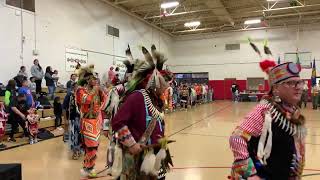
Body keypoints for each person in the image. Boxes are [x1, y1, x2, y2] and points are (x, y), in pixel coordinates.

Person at [229, 43, 306, 179]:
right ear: (275, 88)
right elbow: (237, 138)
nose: (299, 87)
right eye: (291, 83)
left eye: (299, 82)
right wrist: (250, 174)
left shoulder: (293, 111)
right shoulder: (265, 110)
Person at [111, 45, 174, 180]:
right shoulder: (138, 97)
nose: (165, 87)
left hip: (156, 154)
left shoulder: (157, 100)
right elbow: (117, 122)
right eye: (162, 83)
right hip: (138, 157)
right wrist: (131, 144)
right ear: (152, 82)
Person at [76, 65, 105, 178]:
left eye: (94, 79)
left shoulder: (98, 90)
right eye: (91, 79)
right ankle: (89, 168)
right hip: (87, 122)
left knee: (94, 146)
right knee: (91, 146)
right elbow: (86, 100)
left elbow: (105, 99)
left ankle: (88, 167)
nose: (94, 81)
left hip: (96, 121)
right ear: (87, 80)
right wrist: (95, 90)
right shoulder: (80, 90)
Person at [64, 83, 82, 159]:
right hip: (73, 118)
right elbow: (64, 108)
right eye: (77, 87)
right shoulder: (69, 95)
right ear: (73, 88)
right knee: (74, 136)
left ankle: (79, 149)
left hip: (82, 118)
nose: (78, 89)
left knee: (80, 135)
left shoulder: (82, 96)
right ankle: (75, 151)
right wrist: (65, 119)